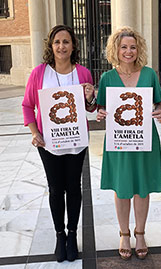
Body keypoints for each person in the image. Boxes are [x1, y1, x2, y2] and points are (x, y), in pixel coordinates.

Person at [22, 25, 96, 262]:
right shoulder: (39, 73)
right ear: (51, 46)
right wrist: (35, 133)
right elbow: (27, 105)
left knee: (74, 189)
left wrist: (90, 97)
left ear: (73, 45)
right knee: (56, 190)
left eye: (66, 42)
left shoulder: (83, 73)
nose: (61, 46)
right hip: (50, 145)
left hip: (76, 143)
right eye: (57, 42)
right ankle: (59, 235)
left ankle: (72, 234)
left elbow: (90, 109)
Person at [96, 26, 161, 260]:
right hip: (119, 142)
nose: (128, 51)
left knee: (142, 188)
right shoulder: (107, 77)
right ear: (115, 49)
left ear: (139, 49)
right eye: (124, 47)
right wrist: (100, 113)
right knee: (122, 187)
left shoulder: (149, 74)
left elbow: (159, 102)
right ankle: (124, 233)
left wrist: (158, 111)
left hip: (145, 139)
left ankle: (141, 233)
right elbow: (102, 107)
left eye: (133, 47)